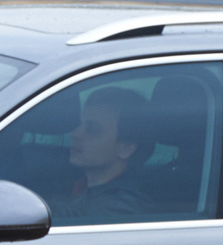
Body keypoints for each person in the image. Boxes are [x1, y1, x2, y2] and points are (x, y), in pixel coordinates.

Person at [61, 89, 154, 223]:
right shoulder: (83, 186)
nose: (75, 134)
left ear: (126, 148)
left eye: (92, 129)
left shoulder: (115, 211)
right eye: (79, 124)